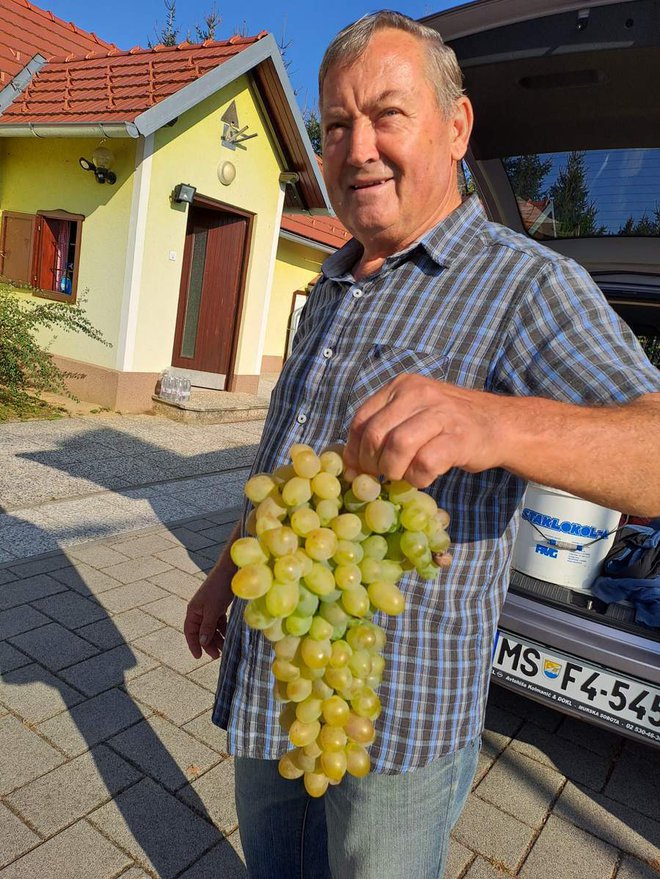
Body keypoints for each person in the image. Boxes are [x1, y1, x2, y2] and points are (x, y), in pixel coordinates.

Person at [185, 11, 660, 878]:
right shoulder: (331, 283)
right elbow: (287, 466)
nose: (355, 147)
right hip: (278, 671)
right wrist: (224, 574)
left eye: (387, 115)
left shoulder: (527, 285)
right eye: (335, 125)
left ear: (457, 126)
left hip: (399, 716)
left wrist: (495, 422)